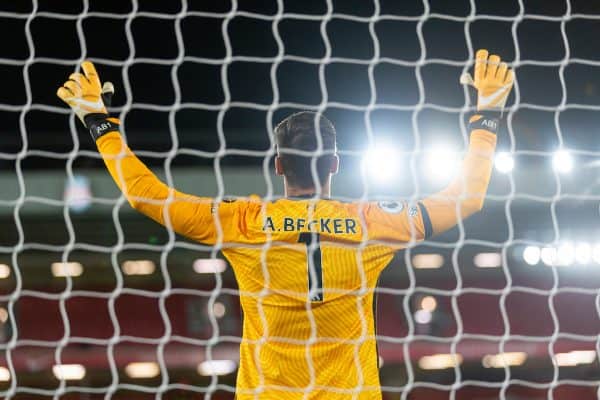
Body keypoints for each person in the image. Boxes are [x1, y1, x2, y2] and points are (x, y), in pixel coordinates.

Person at [57, 49, 514, 400]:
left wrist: (101, 122)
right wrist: (486, 115)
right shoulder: (373, 223)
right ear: (335, 163)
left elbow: (146, 196)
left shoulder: (244, 221)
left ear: (278, 165)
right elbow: (466, 198)